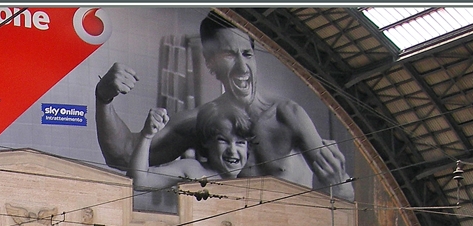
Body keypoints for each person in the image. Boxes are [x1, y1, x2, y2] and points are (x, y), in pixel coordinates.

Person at [94, 14, 352, 200]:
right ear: (210, 62)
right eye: (229, 55)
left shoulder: (287, 115)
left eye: (247, 54)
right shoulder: (201, 121)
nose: (242, 67)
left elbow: (343, 194)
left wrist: (339, 185)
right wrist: (104, 98)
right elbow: (123, 157)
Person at [129, 105, 252, 191]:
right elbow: (139, 182)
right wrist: (147, 136)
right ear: (206, 141)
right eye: (223, 140)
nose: (233, 150)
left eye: (240, 143)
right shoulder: (192, 169)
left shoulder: (250, 185)